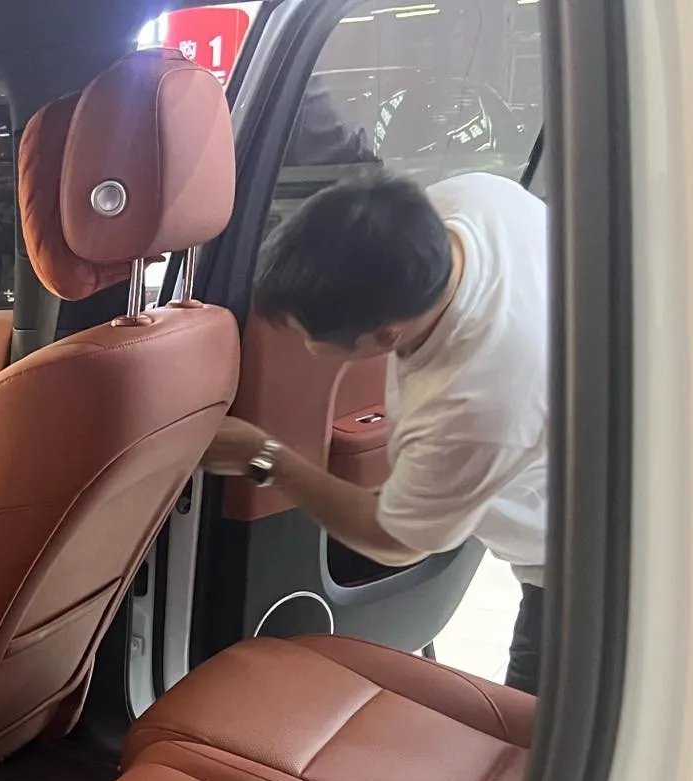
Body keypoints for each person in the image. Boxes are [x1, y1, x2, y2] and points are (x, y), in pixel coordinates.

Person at [204, 169, 549, 693]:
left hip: (588, 560)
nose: (299, 345)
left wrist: (267, 456)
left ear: (386, 336)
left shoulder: (473, 403)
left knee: (535, 728)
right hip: (597, 429)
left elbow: (396, 540)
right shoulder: (473, 198)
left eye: (306, 336)